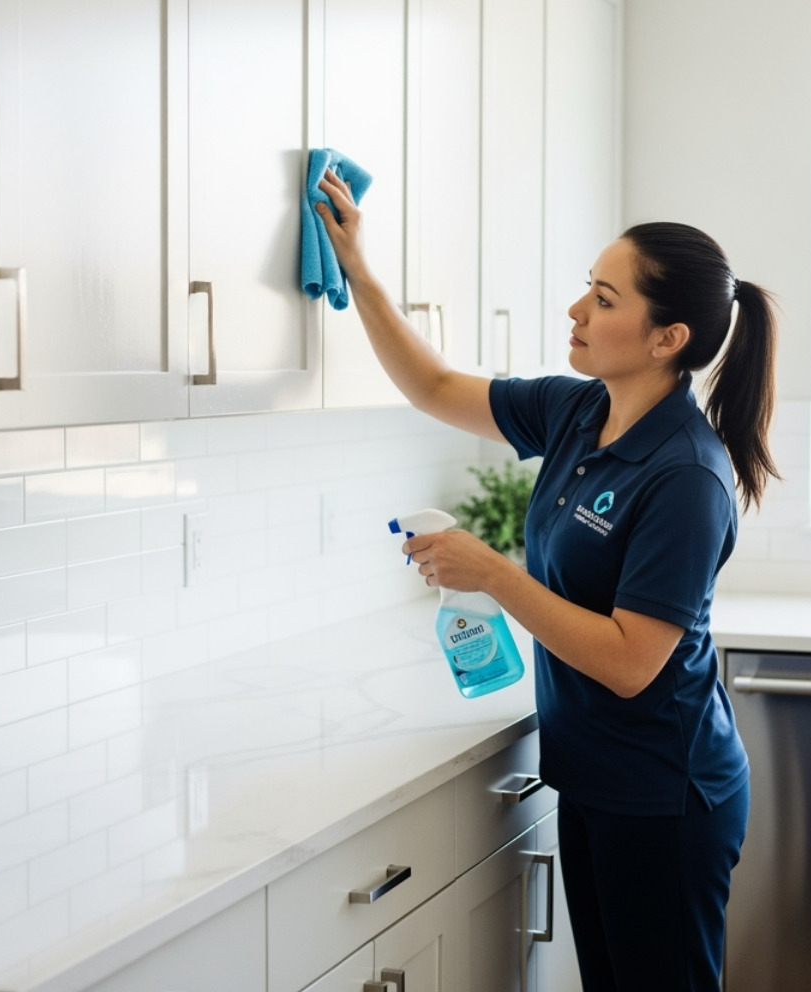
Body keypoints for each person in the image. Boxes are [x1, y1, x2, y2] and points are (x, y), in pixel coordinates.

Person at [314, 169, 779, 992]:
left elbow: (633, 661)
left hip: (665, 797)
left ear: (666, 337)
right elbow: (431, 385)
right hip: (596, 778)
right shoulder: (577, 412)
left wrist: (495, 572)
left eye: (604, 298)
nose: (577, 311)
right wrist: (358, 267)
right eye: (586, 290)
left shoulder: (685, 476)